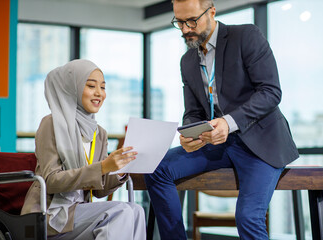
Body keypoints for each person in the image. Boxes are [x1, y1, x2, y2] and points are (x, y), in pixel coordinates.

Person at [144, 0, 299, 239]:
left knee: (248, 217)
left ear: (212, 12)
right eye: (179, 22)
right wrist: (190, 134)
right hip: (216, 143)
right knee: (156, 168)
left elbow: (270, 92)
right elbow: (194, 111)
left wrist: (229, 122)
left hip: (261, 143)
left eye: (192, 21)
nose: (186, 29)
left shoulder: (246, 36)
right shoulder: (187, 61)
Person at [21, 59, 146, 240]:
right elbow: (51, 181)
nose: (99, 93)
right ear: (72, 88)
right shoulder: (51, 123)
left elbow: (100, 191)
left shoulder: (99, 133)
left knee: (136, 211)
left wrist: (119, 170)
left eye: (103, 87)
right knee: (120, 211)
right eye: (91, 86)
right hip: (49, 214)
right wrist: (103, 167)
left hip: (79, 212)